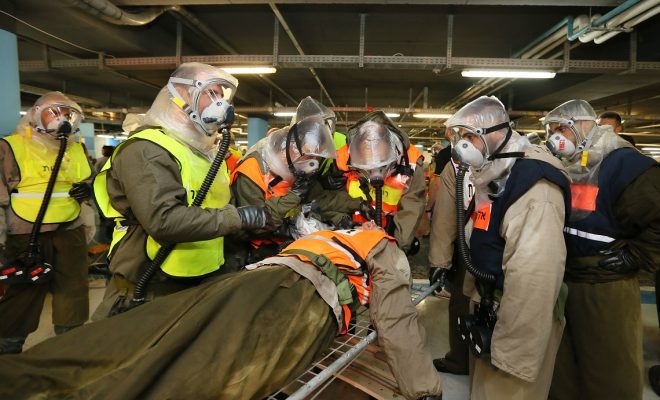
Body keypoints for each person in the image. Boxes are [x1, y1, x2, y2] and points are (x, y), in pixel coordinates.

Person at [0, 224, 442, 400]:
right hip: (294, 305)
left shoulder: (326, 233)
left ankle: (25, 374)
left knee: (147, 336)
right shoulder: (383, 248)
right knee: (205, 374)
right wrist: (424, 391)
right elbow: (396, 324)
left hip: (243, 283)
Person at [91, 62, 269, 319]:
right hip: (151, 281)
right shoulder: (147, 149)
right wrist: (238, 217)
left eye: (221, 95)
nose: (220, 103)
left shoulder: (201, 152)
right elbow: (164, 221)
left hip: (199, 274)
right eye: (212, 93)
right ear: (182, 94)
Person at [443, 96, 571, 399]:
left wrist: (512, 352)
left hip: (518, 319)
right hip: (494, 305)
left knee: (507, 390)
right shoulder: (499, 172)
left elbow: (534, 280)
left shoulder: (536, 188)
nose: (465, 145)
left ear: (496, 133)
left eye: (471, 136)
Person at [545, 99, 660, 400]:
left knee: (610, 372)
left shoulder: (624, 163)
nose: (555, 136)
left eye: (561, 129)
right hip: (567, 280)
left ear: (583, 125)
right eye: (552, 129)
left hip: (605, 284)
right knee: (563, 371)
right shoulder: (571, 163)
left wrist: (636, 256)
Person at [0, 92, 93, 354]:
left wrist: (88, 191)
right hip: (24, 232)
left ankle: (70, 348)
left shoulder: (75, 147)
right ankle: (8, 350)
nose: (61, 118)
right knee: (23, 293)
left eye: (66, 113)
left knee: (72, 289)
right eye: (54, 112)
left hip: (69, 228)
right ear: (35, 113)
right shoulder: (10, 146)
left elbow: (87, 179)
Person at [230, 96, 337, 264]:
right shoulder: (253, 169)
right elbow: (257, 224)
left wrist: (355, 205)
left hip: (281, 245)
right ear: (294, 143)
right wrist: (294, 196)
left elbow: (321, 199)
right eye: (309, 152)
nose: (312, 160)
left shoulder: (300, 165)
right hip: (248, 250)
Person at [335, 111, 426, 254]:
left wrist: (397, 247)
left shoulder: (411, 162)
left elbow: (412, 209)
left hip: (391, 237)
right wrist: (347, 228)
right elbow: (332, 200)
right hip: (351, 238)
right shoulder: (344, 157)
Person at [427, 130, 473, 376]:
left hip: (493, 248)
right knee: (461, 303)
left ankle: (470, 362)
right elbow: (445, 218)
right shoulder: (454, 166)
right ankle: (461, 360)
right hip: (471, 247)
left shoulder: (513, 161)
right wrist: (440, 262)